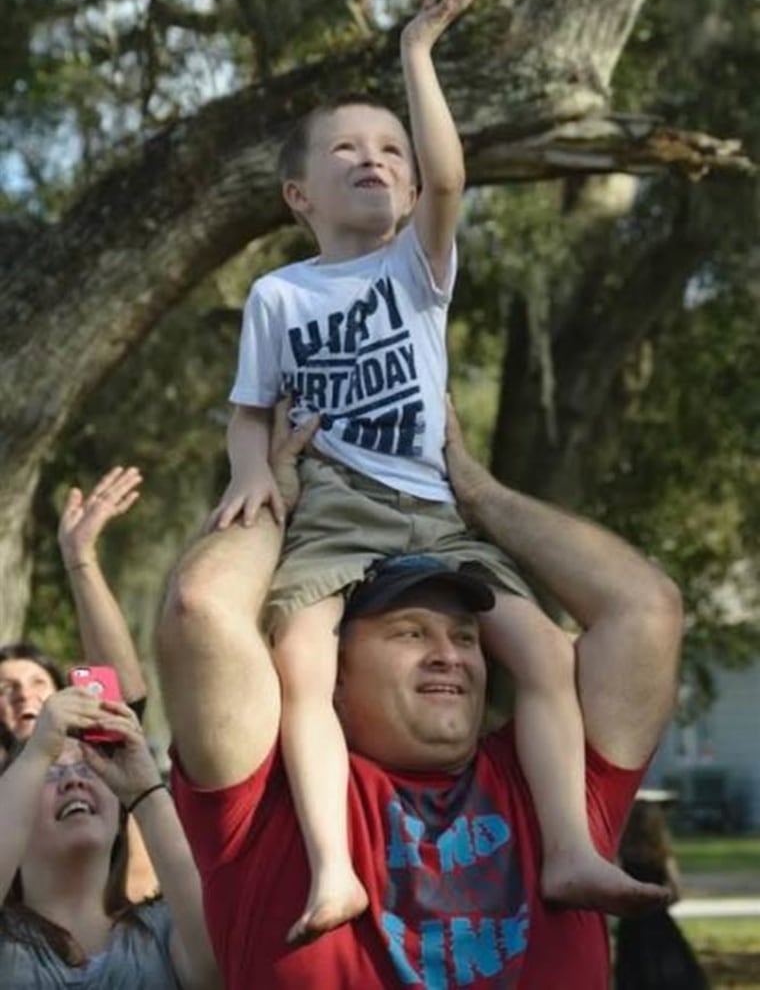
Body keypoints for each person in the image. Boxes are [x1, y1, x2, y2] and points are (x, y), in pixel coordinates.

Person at [208, 0, 657, 943]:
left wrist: (417, 54)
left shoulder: (417, 269)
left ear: (412, 188)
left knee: (544, 653)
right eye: (345, 150)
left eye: (389, 152)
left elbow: (454, 178)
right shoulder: (279, 298)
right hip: (333, 509)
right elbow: (250, 412)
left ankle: (574, 850)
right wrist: (252, 470)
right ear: (299, 194)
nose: (373, 160)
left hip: (436, 512)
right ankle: (333, 869)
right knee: (298, 661)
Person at [157, 398, 682, 990]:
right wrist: (269, 501)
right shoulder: (268, 805)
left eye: (465, 636)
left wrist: (481, 495)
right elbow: (201, 609)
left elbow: (645, 610)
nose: (449, 654)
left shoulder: (555, 782)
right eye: (409, 633)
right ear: (334, 673)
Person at [0, 465, 158, 902]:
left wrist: (79, 557)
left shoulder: (102, 758)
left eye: (38, 682)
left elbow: (122, 697)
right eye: (5, 688)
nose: (23, 694)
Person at [0, 687, 220, 988]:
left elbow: (219, 960)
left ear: (120, 819)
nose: (73, 780)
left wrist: (146, 793)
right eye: (50, 772)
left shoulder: (165, 930)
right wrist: (35, 754)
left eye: (88, 768)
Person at [614, 796, 711, 989]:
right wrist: (658, 904)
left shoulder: (622, 855)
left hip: (631, 923)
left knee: (633, 972)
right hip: (659, 920)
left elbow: (616, 890)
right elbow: (677, 891)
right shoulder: (662, 854)